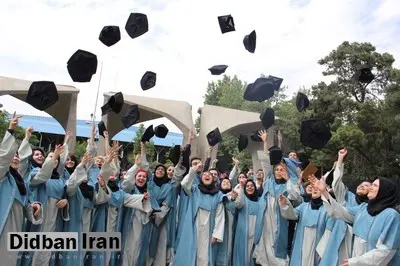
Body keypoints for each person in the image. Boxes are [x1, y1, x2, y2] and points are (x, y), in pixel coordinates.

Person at [315, 176, 400, 265]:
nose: (370, 187)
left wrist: (356, 262)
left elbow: (385, 251)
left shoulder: (392, 216)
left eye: (375, 185)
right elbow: (340, 212)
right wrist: (324, 192)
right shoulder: (363, 208)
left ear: (384, 191)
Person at [0, 113, 43, 266]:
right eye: (14, 156)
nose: (16, 158)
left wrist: (34, 207)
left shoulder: (20, 182)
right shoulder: (3, 177)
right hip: (4, 226)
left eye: (18, 156)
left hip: (16, 227)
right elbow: (3, 157)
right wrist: (11, 129)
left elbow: (25, 205)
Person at [173, 162, 225, 265]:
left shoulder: (218, 194)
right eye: (204, 174)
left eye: (209, 175)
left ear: (213, 179)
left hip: (209, 227)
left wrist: (216, 234)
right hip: (194, 224)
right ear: (200, 178)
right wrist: (194, 169)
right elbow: (184, 184)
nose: (207, 176)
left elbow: (220, 215)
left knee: (204, 254)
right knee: (191, 251)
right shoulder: (194, 189)